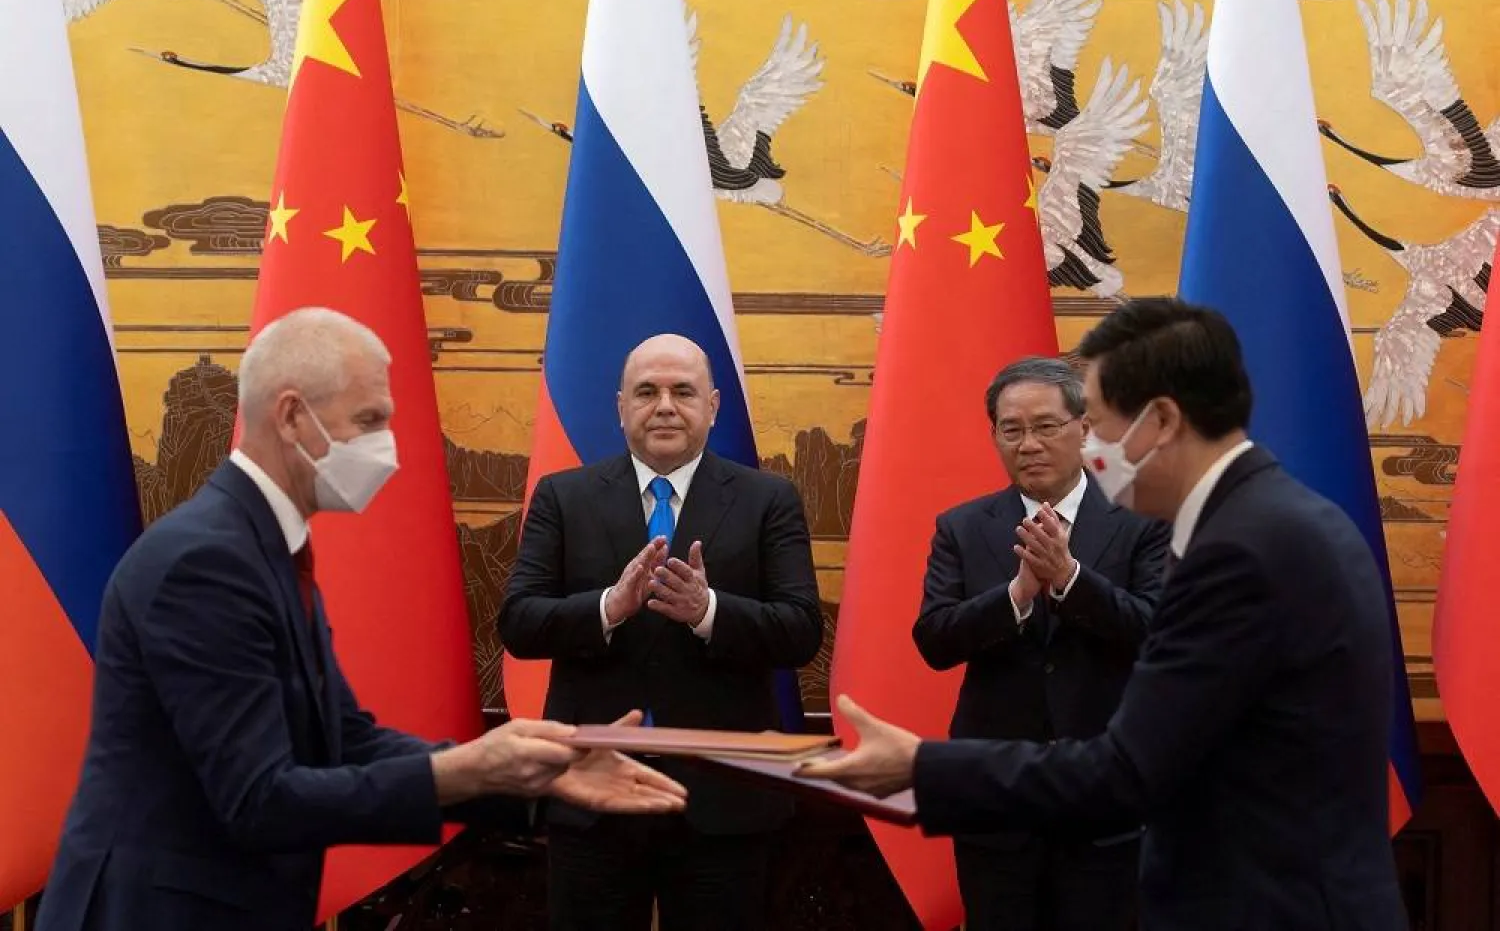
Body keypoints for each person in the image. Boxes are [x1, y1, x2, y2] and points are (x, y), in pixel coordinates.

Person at [36, 308, 686, 931]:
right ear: (292, 415)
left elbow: (345, 739)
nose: (389, 450)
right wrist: (471, 769)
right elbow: (257, 799)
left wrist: (537, 779)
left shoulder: (267, 546)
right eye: (369, 420)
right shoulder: (204, 562)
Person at [802, 299, 1407, 930]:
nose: (1093, 449)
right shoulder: (1282, 518)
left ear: (1161, 420)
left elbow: (1128, 768)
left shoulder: (1238, 548)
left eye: (1096, 422)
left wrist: (921, 766)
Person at [500, 332, 823, 931]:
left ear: (713, 406)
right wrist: (608, 607)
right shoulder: (564, 496)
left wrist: (707, 612)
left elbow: (801, 631)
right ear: (621, 406)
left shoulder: (767, 499)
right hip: (592, 795)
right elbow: (519, 623)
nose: (665, 406)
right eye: (647, 392)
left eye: (683, 392)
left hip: (722, 803)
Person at [912, 356, 1169, 931]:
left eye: (1046, 426)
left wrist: (1070, 579)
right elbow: (935, 639)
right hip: (996, 801)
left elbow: (1158, 631)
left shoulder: (1143, 519)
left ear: (1084, 428)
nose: (1028, 444)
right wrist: (1017, 595)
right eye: (1012, 430)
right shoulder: (962, 527)